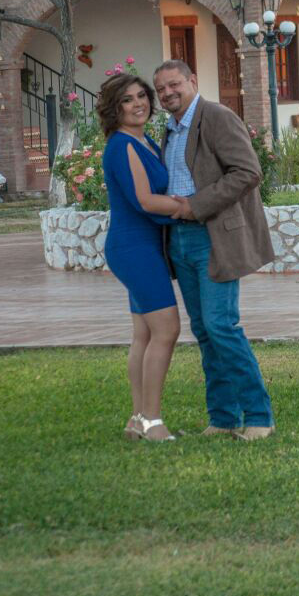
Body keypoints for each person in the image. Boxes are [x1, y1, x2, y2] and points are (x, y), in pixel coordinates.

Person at [153, 59, 276, 442]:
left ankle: (259, 417)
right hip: (180, 240)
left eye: (174, 85)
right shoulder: (171, 130)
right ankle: (222, 417)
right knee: (204, 331)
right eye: (161, 90)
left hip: (213, 236)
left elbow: (247, 171)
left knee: (222, 326)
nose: (168, 93)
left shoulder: (217, 116)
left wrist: (195, 204)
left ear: (193, 80)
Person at [98, 73, 185, 442]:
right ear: (114, 110)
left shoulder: (143, 140)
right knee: (167, 329)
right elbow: (145, 200)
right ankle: (152, 421)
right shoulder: (122, 146)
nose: (139, 104)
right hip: (133, 247)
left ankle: (137, 419)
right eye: (128, 100)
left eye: (141, 96)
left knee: (145, 334)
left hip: (143, 246)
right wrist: (189, 207)